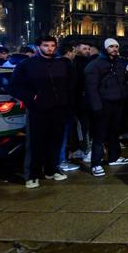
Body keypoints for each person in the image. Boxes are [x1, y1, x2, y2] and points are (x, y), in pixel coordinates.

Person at [9, 35, 75, 189]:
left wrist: (68, 105)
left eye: (52, 45)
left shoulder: (63, 64)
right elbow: (14, 87)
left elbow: (71, 87)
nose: (50, 48)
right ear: (39, 47)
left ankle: (52, 170)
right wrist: (32, 97)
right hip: (37, 110)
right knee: (35, 143)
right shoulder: (26, 65)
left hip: (59, 109)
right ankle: (32, 175)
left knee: (56, 141)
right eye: (46, 45)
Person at [84, 38, 128, 177]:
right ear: (105, 48)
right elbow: (91, 88)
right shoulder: (95, 65)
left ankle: (114, 157)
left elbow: (123, 80)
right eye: (111, 46)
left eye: (116, 46)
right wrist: (96, 106)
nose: (114, 49)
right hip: (102, 104)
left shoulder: (119, 63)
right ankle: (96, 163)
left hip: (117, 102)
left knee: (114, 132)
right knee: (99, 135)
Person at [57, 44, 80, 172]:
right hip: (67, 106)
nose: (75, 54)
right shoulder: (69, 66)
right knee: (63, 135)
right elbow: (72, 88)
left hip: (57, 105)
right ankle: (61, 161)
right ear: (69, 52)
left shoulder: (54, 64)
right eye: (74, 51)